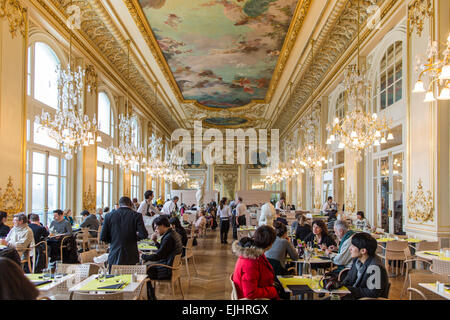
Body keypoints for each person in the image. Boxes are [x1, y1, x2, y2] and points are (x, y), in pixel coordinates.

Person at [231, 225, 279, 300]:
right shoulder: (251, 261)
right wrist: (273, 290)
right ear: (270, 244)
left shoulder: (253, 255)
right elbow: (250, 293)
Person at [141, 216, 182, 300]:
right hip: (172, 267)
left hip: (167, 270)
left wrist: (142, 256)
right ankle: (150, 295)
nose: (156, 230)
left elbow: (158, 256)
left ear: (163, 225)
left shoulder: (168, 237)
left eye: (156, 227)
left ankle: (151, 297)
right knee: (147, 265)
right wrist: (155, 241)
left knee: (144, 269)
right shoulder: (173, 234)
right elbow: (163, 252)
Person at [100, 196, 148, 267]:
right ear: (131, 204)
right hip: (131, 252)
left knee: (113, 275)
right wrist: (134, 238)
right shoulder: (136, 215)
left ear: (119, 205)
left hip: (114, 251)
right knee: (131, 276)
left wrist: (114, 239)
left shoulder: (108, 216)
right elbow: (144, 234)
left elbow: (103, 237)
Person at [341, 232, 389, 300]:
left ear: (363, 251)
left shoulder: (375, 268)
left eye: (353, 246)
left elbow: (372, 293)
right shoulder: (357, 260)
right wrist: (339, 287)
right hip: (353, 295)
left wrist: (349, 290)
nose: (350, 248)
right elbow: (349, 279)